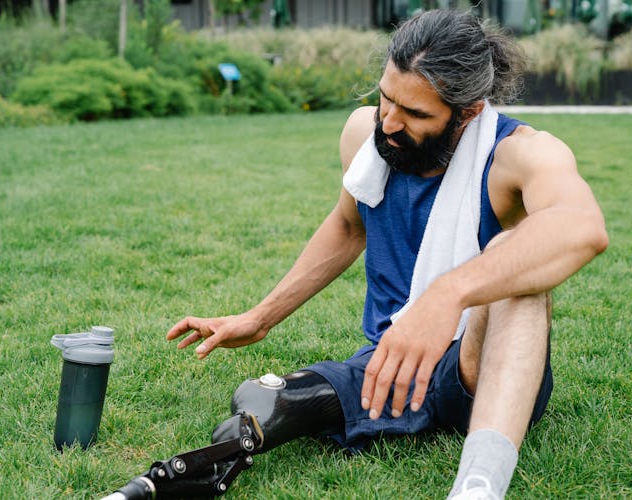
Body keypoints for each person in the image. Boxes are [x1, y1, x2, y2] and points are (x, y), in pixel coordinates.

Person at [166, 9, 608, 499]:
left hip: (480, 369)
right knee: (273, 401)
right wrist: (261, 317)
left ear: (469, 112)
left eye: (416, 114)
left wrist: (450, 295)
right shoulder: (365, 132)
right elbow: (348, 226)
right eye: (386, 97)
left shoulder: (518, 154)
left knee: (517, 272)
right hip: (390, 363)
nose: (390, 122)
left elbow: (582, 227)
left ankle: (478, 487)